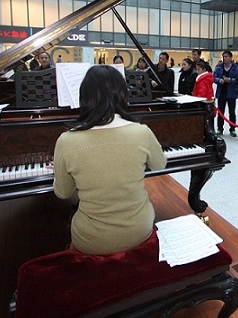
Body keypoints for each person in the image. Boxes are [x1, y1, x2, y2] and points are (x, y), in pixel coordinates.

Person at [53, 66, 167, 255]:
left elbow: (64, 192)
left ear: (84, 97)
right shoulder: (142, 131)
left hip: (92, 240)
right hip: (140, 230)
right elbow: (160, 164)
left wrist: (61, 170)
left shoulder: (66, 140)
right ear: (123, 94)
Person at [214, 50, 238, 137]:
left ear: (231, 57)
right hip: (221, 93)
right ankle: (220, 128)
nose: (224, 58)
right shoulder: (219, 67)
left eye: (226, 56)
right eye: (223, 57)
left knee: (232, 112)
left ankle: (232, 129)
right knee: (220, 112)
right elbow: (214, 77)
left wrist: (230, 80)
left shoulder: (236, 68)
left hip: (231, 93)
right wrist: (219, 80)